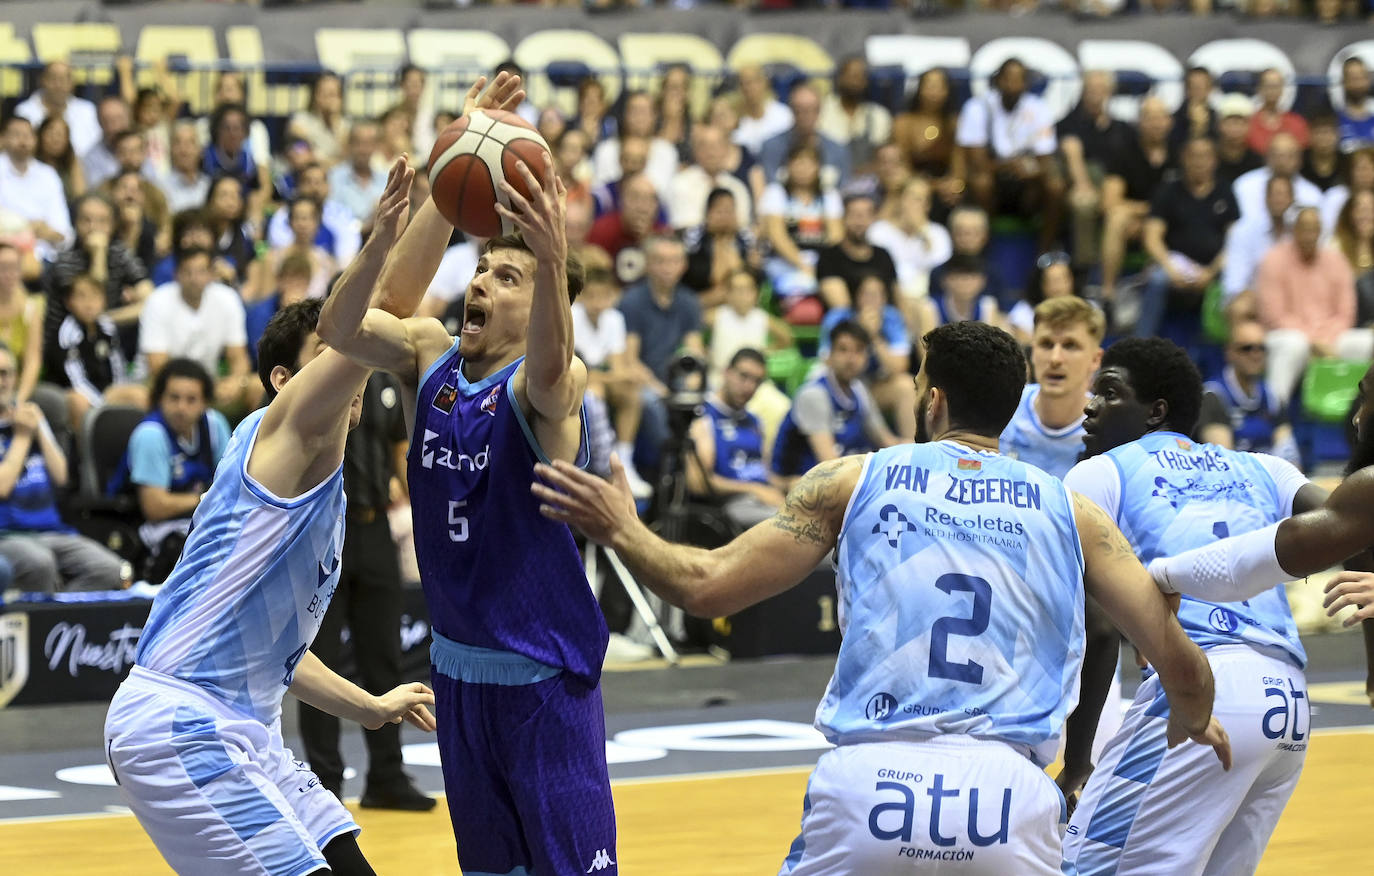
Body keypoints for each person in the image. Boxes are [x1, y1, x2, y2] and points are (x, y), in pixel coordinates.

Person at [531, 320, 1229, 876]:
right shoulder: (1071, 510)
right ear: (1012, 406)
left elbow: (702, 583)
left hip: (871, 782)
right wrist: (1194, 714)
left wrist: (622, 528)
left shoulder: (853, 478)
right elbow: (1179, 661)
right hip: (1008, 799)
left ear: (933, 401)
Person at [313, 66, 620, 876]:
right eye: (483, 270)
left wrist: (552, 264)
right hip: (456, 671)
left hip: (541, 676)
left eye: (506, 276)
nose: (482, 281)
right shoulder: (431, 356)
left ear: (537, 303)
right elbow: (340, 326)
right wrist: (449, 186)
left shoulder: (549, 384)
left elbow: (556, 365)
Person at [104, 162, 435, 876]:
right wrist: (387, 234)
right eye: (330, 357)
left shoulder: (323, 472)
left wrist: (369, 705)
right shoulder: (283, 437)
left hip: (247, 727)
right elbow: (380, 307)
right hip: (181, 722)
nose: (354, 365)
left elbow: (278, 654)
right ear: (286, 380)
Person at [1060, 337, 1324, 875]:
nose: (1089, 406)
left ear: (1155, 411)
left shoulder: (1100, 472)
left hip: (1201, 685)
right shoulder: (1264, 468)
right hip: (1290, 703)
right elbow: (1350, 521)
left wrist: (1079, 757)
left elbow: (1098, 630)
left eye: (1108, 393)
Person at [299, 369, 434, 811]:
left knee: (384, 656)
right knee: (320, 660)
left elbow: (398, 449)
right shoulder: (320, 379)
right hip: (323, 534)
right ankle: (325, 785)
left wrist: (409, 496)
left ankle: (386, 775)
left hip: (375, 527)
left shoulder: (384, 383)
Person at [0, 340, 130, 593]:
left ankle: (65, 622)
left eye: (6, 373)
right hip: (8, 535)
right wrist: (23, 437)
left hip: (53, 530)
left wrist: (40, 429)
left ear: (15, 378)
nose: (1, 381)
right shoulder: (22, 431)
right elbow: (3, 487)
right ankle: (42, 628)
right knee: (40, 563)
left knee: (113, 570)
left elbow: (62, 477)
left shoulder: (31, 417)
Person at [110, 358, 229, 583]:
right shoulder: (151, 434)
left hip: (198, 519)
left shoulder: (214, 425)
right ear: (160, 399)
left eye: (191, 400)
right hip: (148, 529)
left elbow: (231, 484)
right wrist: (207, 498)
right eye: (174, 398)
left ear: (205, 403)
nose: (181, 408)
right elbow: (155, 507)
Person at [1256, 207, 1372, 404]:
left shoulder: (1336, 260)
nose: (1309, 235)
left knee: (1369, 341)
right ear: (1294, 230)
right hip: (1287, 335)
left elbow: (1346, 314)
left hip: (1331, 339)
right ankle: (1276, 412)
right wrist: (1314, 341)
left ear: (1320, 231)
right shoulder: (1273, 260)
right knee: (1294, 344)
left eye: (1314, 229)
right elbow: (1273, 316)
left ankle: (1365, 412)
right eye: (1304, 228)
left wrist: (1323, 341)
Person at [1136, 136, 1239, 339]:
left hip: (1214, 267)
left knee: (1236, 282)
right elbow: (1152, 236)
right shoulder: (1168, 190)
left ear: (1214, 160)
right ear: (1183, 159)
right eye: (1194, 156)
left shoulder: (1225, 191)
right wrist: (1170, 268)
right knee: (1157, 279)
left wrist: (1211, 272)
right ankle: (1141, 341)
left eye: (1205, 156)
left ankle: (1225, 350)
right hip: (1176, 264)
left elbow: (1234, 241)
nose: (1199, 162)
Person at [771, 320, 898, 483]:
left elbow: (887, 441)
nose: (851, 358)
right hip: (803, 484)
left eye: (858, 350)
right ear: (829, 354)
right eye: (843, 350)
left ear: (866, 357)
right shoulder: (813, 395)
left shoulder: (859, 389)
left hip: (847, 480)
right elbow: (830, 465)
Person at [999, 296, 1103, 480]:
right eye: (1046, 344)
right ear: (1032, 352)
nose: (1055, 358)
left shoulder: (1108, 428)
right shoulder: (1003, 408)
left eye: (1070, 345)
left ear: (1095, 359)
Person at [687, 348, 787, 529]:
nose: (749, 386)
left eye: (757, 381)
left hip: (764, 502)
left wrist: (799, 484)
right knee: (795, 527)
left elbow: (765, 473)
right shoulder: (703, 416)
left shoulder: (755, 421)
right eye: (743, 376)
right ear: (727, 373)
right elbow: (699, 483)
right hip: (731, 506)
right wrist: (755, 490)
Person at [1197, 320, 1299, 464]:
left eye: (1261, 348)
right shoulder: (1213, 396)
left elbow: (1290, 457)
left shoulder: (1272, 396)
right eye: (1246, 348)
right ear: (1229, 353)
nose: (1255, 355)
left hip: (1269, 479)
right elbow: (1225, 464)